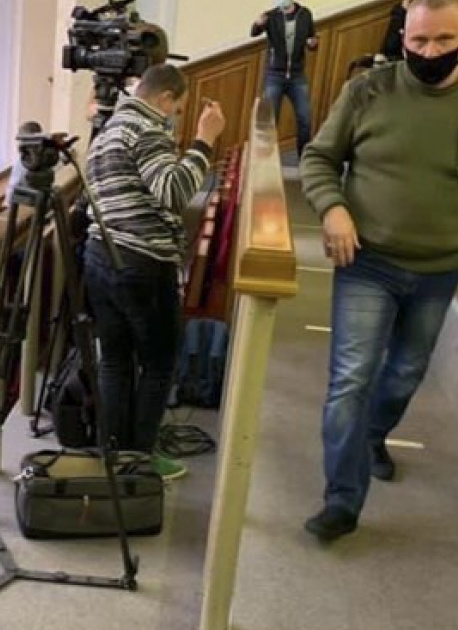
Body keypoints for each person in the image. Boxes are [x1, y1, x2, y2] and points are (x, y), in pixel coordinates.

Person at [299, 0, 458, 541]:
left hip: (439, 268)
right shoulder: (368, 91)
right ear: (403, 35)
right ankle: (342, 499)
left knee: (405, 372)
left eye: (443, 41)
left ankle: (372, 435)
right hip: (367, 262)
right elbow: (318, 158)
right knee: (351, 380)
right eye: (419, 41)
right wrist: (333, 208)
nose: (429, 52)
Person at [84, 63, 226, 481]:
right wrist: (205, 140)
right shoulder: (146, 129)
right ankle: (141, 462)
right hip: (143, 263)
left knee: (114, 362)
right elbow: (174, 192)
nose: (176, 117)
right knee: (160, 364)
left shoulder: (106, 130)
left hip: (100, 255)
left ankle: (114, 456)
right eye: (177, 109)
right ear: (165, 98)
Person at [251, 0, 319, 159]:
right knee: (269, 121)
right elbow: (254, 32)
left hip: (297, 75)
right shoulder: (271, 16)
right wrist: (258, 23)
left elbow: (312, 39)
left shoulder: (305, 14)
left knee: (305, 119)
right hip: (275, 75)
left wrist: (313, 44)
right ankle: (266, 160)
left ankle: (304, 159)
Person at [6, 121, 43, 207]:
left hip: (27, 205)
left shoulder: (23, 161)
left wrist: (7, 203)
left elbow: (13, 188)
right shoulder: (46, 155)